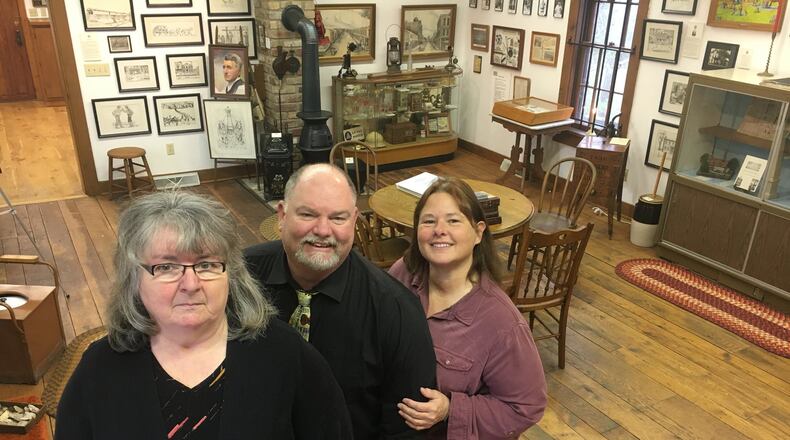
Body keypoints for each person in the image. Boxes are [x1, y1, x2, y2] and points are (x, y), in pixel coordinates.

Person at [56, 192, 351, 439]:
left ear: (231, 274)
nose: (191, 284)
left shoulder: (285, 353)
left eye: (207, 264)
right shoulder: (100, 368)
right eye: (166, 267)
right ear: (133, 279)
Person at [245, 164, 437, 439]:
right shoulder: (239, 279)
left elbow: (405, 429)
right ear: (282, 215)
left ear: (354, 221)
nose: (323, 230)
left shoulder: (396, 311)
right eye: (308, 214)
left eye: (338, 218)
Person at [389, 177, 547, 439]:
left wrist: (451, 409)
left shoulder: (501, 323)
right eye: (428, 221)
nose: (439, 230)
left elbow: (525, 408)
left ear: (478, 232)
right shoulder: (402, 274)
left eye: (453, 220)